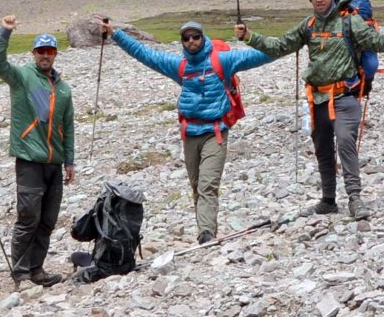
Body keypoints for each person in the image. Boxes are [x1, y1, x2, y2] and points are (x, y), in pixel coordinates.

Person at [238, 0, 384, 220]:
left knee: (345, 142)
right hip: (317, 99)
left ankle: (355, 198)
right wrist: (249, 37)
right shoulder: (307, 26)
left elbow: (377, 42)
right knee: (322, 149)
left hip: (345, 95)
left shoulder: (350, 22)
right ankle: (328, 201)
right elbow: (280, 46)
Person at [100, 19, 268, 244]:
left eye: (195, 36)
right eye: (186, 38)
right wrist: (115, 34)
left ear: (203, 37)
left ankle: (206, 233)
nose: (191, 41)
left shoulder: (223, 61)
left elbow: (261, 56)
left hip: (215, 132)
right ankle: (206, 227)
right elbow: (145, 54)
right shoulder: (179, 66)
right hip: (189, 133)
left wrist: (281, 40)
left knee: (208, 184)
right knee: (197, 185)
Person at [0, 17, 76, 284]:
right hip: (29, 160)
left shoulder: (63, 89)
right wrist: (5, 31)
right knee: (28, 218)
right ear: (34, 54)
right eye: (41, 51)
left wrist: (69, 160)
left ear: (55, 54)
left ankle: (37, 268)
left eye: (49, 51)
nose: (45, 56)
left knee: (48, 220)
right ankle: (21, 271)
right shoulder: (22, 77)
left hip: (54, 162)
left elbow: (68, 126)